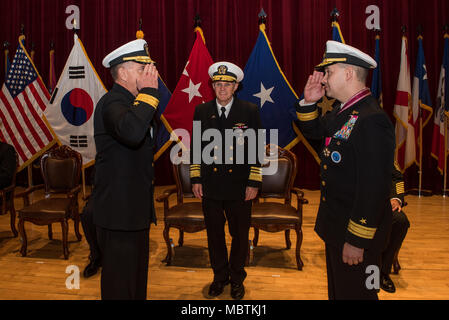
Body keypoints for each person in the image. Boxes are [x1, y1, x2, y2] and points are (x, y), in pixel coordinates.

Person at [296, 40, 395, 300]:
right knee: (341, 294)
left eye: (329, 73)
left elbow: (373, 188)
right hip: (338, 229)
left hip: (357, 236)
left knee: (359, 295)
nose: (324, 79)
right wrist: (309, 102)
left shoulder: (371, 119)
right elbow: (319, 136)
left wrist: (357, 240)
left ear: (349, 74)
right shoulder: (347, 111)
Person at [92, 39, 160, 300]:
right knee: (120, 287)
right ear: (123, 72)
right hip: (118, 214)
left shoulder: (133, 103)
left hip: (132, 212)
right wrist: (150, 94)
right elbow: (131, 133)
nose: (149, 74)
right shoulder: (113, 102)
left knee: (134, 284)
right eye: (143, 68)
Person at [190, 62, 263, 300]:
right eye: (218, 84)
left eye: (227, 84)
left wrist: (254, 182)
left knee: (240, 235)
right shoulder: (201, 111)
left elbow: (256, 148)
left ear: (236, 86)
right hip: (211, 185)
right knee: (214, 235)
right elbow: (196, 148)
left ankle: (237, 278)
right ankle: (219, 278)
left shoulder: (249, 110)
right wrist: (196, 178)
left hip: (240, 186)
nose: (222, 88)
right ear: (212, 86)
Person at [380, 162, 410, 293]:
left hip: (381, 202)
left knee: (400, 221)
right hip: (354, 202)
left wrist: (396, 199)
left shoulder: (382, 145)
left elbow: (396, 177)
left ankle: (382, 272)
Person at [80, 167, 101, 278]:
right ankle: (95, 255)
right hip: (101, 191)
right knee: (87, 214)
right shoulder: (104, 152)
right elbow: (94, 176)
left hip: (124, 191)